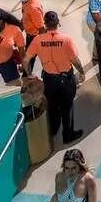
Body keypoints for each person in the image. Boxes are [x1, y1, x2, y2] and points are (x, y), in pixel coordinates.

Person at [25, 11, 86, 144]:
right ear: (58, 23)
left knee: (52, 105)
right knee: (67, 106)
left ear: (45, 24)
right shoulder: (66, 40)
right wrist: (81, 72)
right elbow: (75, 60)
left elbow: (26, 60)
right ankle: (67, 134)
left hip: (49, 79)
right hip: (66, 79)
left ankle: (53, 129)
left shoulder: (38, 40)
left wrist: (29, 74)